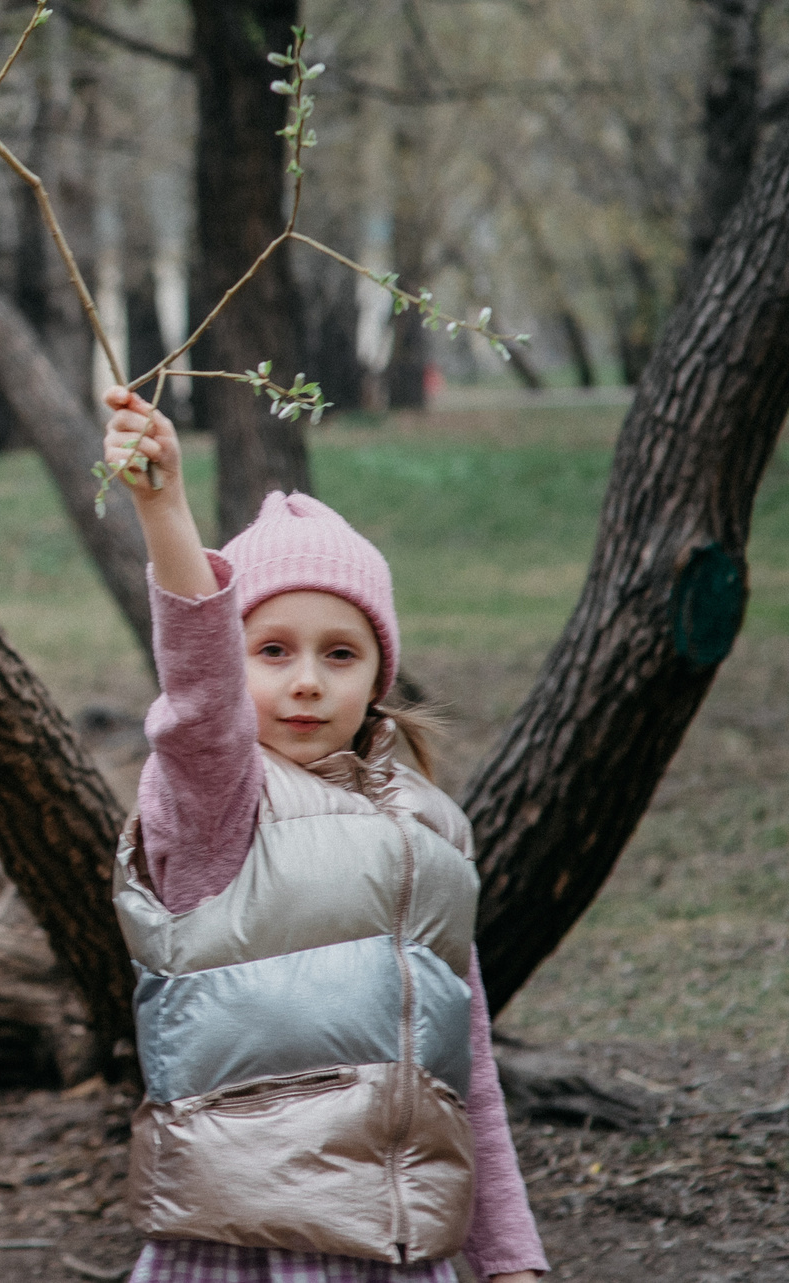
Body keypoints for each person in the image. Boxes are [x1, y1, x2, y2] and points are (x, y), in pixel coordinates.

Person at [99, 388, 548, 1283]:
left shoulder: (431, 832)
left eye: (340, 652)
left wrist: (511, 1259)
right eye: (272, 650)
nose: (306, 679)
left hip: (397, 1255)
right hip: (237, 1250)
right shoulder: (215, 805)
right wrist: (164, 507)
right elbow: (199, 701)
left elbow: (467, 1076)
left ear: (380, 673)